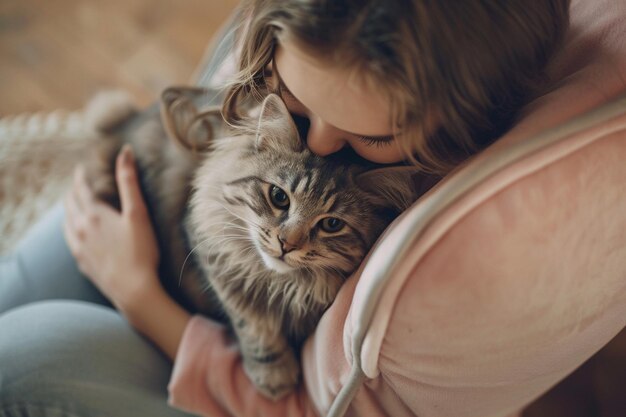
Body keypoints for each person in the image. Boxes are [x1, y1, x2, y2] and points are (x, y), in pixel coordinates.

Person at [0, 1, 571, 416]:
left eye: (367, 137)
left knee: (19, 362)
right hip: (164, 229)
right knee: (22, 280)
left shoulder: (445, 259)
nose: (318, 143)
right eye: (296, 103)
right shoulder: (302, 40)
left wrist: (136, 292)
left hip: (205, 355)